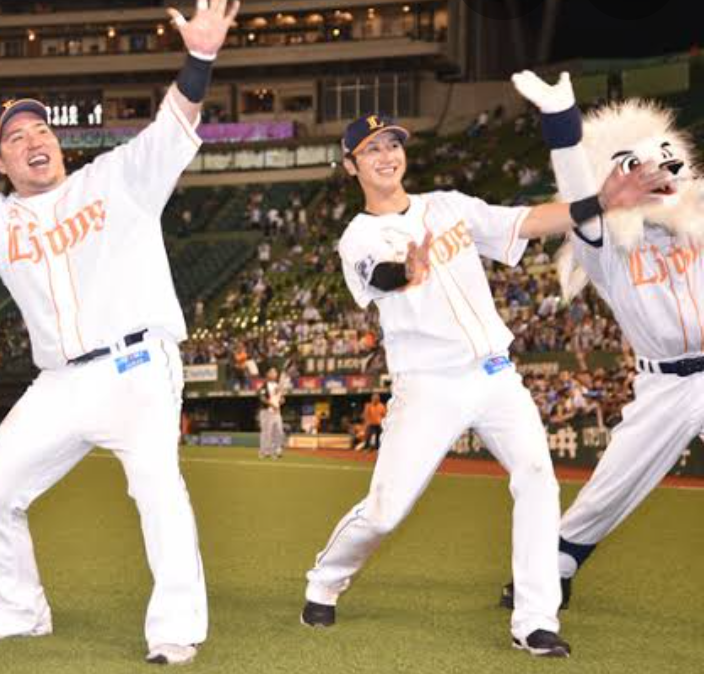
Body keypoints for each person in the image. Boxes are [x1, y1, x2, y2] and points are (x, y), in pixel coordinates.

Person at [0, 0, 239, 665]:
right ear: (0, 163)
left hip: (137, 369)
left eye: (40, 130)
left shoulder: (117, 180)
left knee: (156, 489)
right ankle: (15, 609)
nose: (33, 140)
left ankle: (175, 629)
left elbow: (174, 122)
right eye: (13, 137)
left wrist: (200, 57)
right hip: (60, 382)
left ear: (57, 143)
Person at [298, 113, 667, 658]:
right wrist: (406, 272)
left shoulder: (448, 205)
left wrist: (601, 203)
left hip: (495, 375)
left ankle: (535, 619)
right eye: (371, 149)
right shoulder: (359, 234)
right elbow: (379, 275)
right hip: (428, 385)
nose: (386, 155)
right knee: (385, 510)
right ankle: (326, 579)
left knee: (538, 476)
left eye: (393, 144)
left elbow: (527, 220)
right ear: (351, 165)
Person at [499, 71, 704, 610]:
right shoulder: (607, 248)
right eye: (637, 171)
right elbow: (577, 197)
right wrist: (563, 126)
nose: (659, 176)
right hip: (662, 382)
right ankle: (556, 567)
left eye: (666, 164)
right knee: (611, 485)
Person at [257, 366, 285, 459]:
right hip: (266, 412)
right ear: (267, 374)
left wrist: (281, 400)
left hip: (276, 412)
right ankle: (264, 451)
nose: (274, 374)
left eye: (275, 372)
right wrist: (271, 405)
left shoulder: (277, 385)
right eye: (272, 372)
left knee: (279, 431)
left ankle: (277, 450)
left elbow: (281, 398)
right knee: (266, 432)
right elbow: (262, 398)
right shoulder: (264, 385)